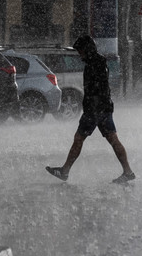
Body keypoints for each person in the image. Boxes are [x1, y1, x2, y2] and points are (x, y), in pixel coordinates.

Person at [46, 35, 135, 184]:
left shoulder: (94, 64)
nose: (79, 54)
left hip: (95, 109)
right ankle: (128, 171)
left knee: (79, 138)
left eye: (80, 50)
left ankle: (65, 171)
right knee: (113, 139)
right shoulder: (99, 62)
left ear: (87, 50)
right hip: (104, 107)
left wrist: (91, 108)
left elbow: (96, 88)